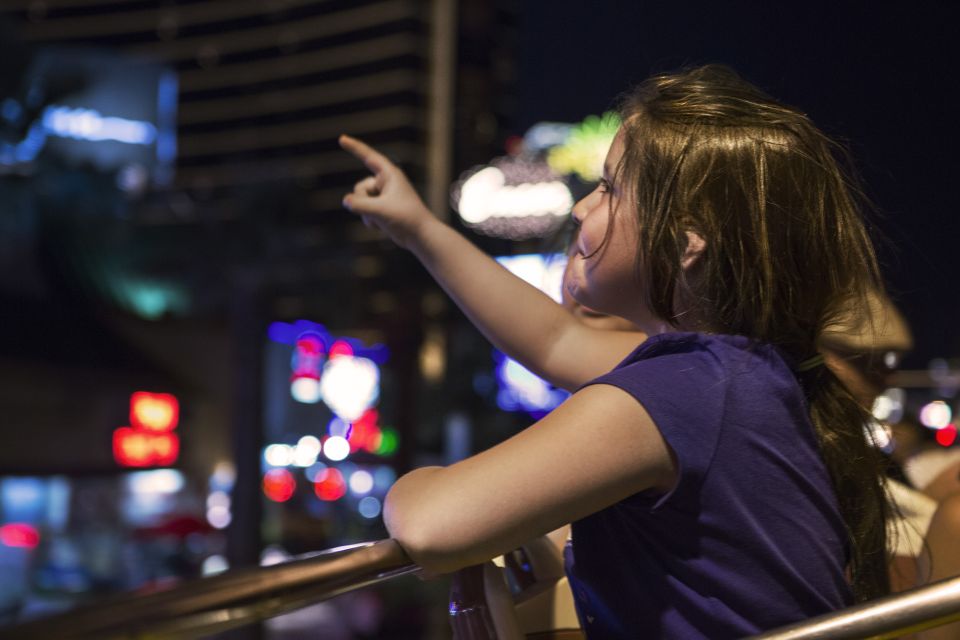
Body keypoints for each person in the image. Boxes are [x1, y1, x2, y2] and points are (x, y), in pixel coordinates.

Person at [340, 64, 891, 638]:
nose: (581, 208)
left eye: (609, 188)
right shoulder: (736, 374)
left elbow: (435, 526)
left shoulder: (682, 391)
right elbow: (554, 340)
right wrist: (420, 231)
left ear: (685, 243)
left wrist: (411, 485)